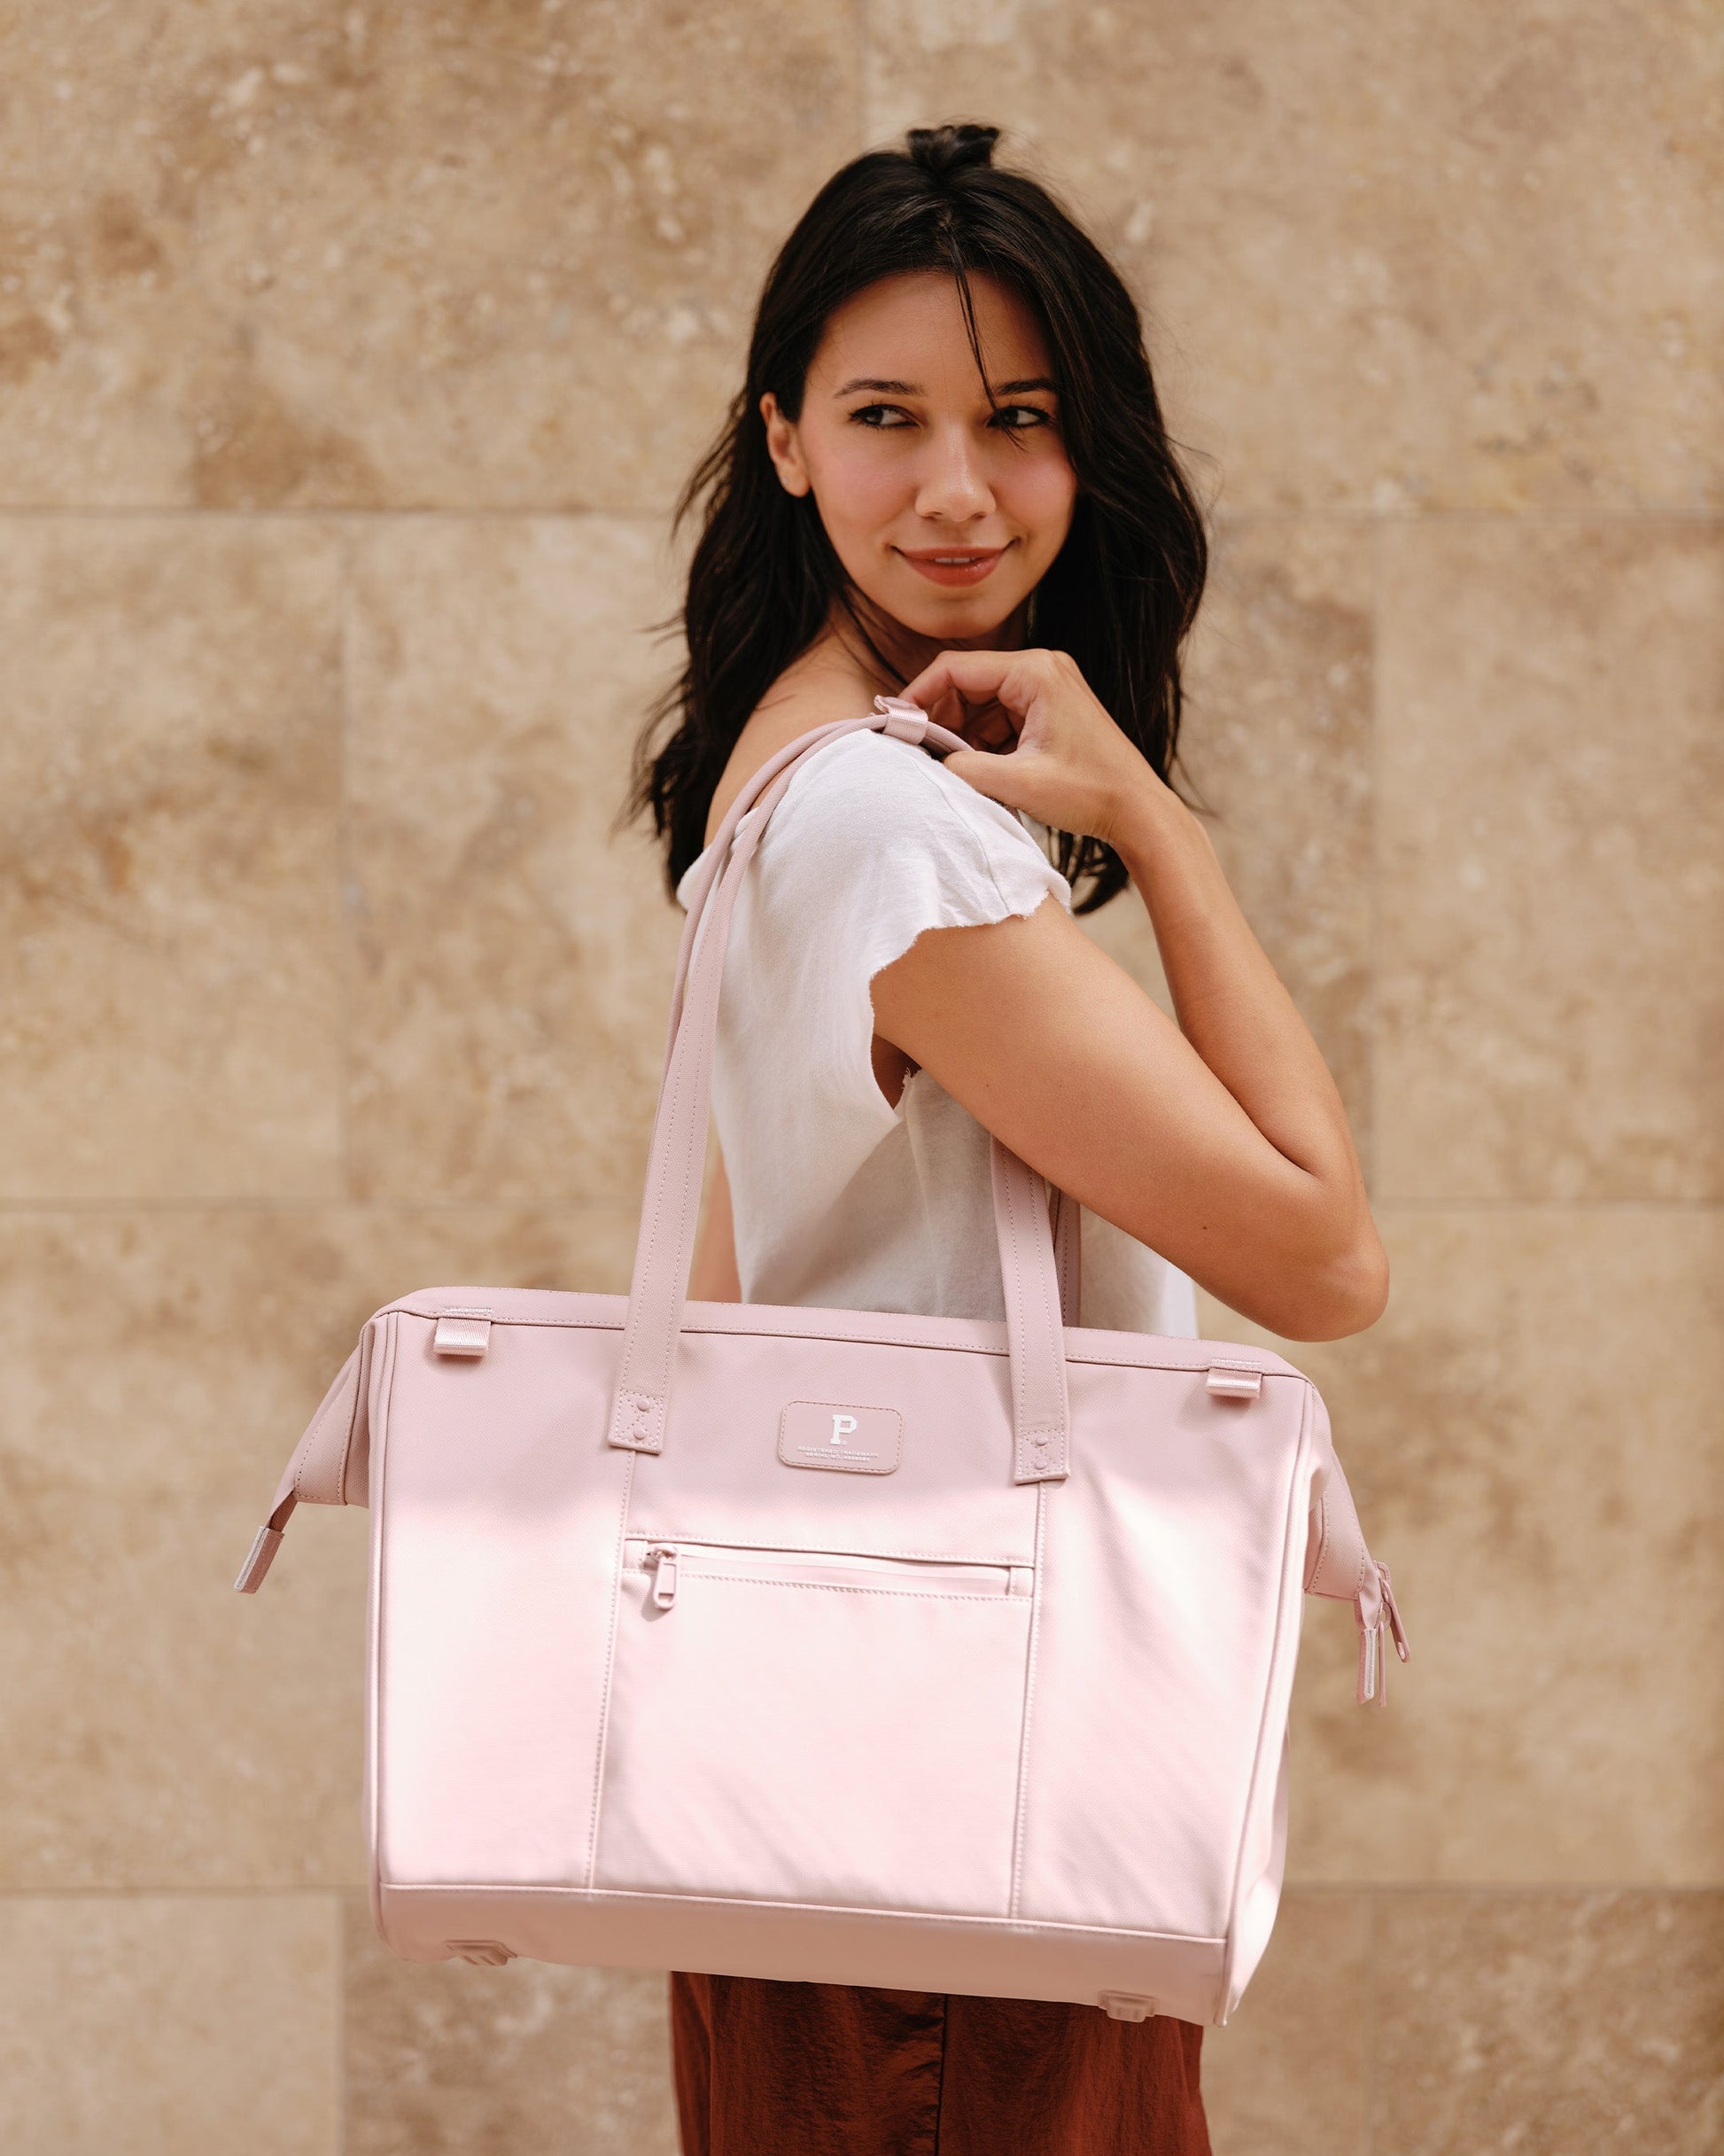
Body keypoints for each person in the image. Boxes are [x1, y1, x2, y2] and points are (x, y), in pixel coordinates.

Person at [630, 120, 1388, 2156]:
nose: (957, 489)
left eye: (1019, 420)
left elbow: (738, 1280)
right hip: (963, 1771)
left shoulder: (778, 781)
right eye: (886, 416)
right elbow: (1323, 1255)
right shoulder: (890, 832)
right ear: (783, 439)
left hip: (828, 1763)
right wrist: (1155, 820)